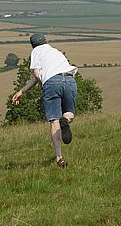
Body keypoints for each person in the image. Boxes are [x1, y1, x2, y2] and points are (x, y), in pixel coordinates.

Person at [12, 34, 77, 168]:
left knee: (54, 120)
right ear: (46, 41)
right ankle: (66, 121)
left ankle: (59, 158)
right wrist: (22, 91)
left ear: (33, 45)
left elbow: (36, 75)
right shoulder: (55, 51)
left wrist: (46, 83)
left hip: (52, 82)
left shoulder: (36, 51)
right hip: (70, 79)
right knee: (69, 113)